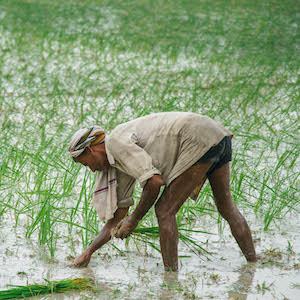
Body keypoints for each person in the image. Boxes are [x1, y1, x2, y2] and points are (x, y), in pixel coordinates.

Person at [68, 112, 256, 271]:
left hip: (196, 137)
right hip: (217, 136)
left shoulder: (116, 143)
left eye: (86, 164)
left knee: (164, 210)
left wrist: (134, 219)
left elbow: (154, 182)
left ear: (91, 150)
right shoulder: (118, 161)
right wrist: (89, 251)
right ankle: (254, 264)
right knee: (226, 207)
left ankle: (170, 278)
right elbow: (118, 217)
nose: (92, 170)